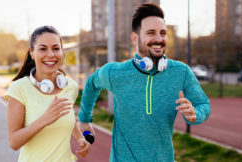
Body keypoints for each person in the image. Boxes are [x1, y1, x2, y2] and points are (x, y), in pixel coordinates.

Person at [78, 3, 210, 162]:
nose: (159, 39)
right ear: (135, 38)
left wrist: (196, 114)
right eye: (151, 33)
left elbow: (203, 104)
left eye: (163, 33)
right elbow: (92, 83)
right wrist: (85, 119)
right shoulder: (115, 72)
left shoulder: (181, 72)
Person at [5, 25, 91, 162]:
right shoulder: (18, 89)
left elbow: (66, 116)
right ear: (32, 53)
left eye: (56, 48)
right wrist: (44, 120)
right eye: (43, 49)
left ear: (62, 52)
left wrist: (80, 137)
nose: (51, 54)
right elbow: (14, 142)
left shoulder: (70, 87)